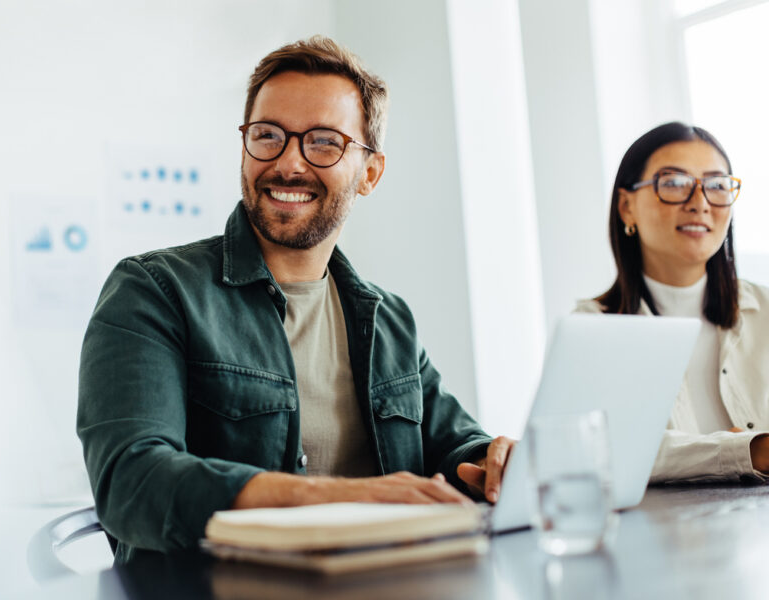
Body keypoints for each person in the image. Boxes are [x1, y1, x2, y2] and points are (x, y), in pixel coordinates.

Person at [77, 36, 514, 559]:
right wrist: (333, 499)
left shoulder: (387, 318)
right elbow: (132, 482)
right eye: (268, 136)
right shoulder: (154, 290)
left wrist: (496, 461)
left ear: (369, 173)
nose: (289, 163)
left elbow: (454, 446)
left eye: (324, 142)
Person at [577, 122, 769, 482]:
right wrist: (749, 450)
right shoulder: (591, 329)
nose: (699, 203)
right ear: (626, 207)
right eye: (675, 183)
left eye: (716, 185)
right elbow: (604, 451)